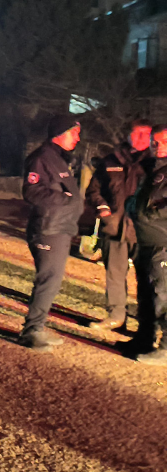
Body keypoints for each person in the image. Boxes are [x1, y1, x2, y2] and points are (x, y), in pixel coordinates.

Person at [19, 115, 84, 351]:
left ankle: (37, 327)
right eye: (74, 133)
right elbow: (32, 191)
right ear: (60, 132)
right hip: (48, 229)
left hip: (60, 228)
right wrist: (66, 200)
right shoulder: (42, 158)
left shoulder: (57, 158)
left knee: (52, 281)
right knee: (48, 280)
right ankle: (31, 331)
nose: (78, 138)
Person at [86, 118, 153, 329]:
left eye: (146, 134)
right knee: (114, 274)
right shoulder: (110, 161)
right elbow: (93, 190)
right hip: (114, 227)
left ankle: (146, 324)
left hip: (143, 231)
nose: (141, 138)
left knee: (147, 278)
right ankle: (116, 317)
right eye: (137, 133)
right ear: (127, 135)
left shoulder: (155, 163)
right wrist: (103, 209)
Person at [127, 124, 167, 366]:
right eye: (155, 141)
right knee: (145, 295)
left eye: (164, 142)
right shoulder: (153, 169)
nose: (158, 146)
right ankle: (144, 339)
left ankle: (165, 349)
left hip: (163, 242)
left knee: (162, 297)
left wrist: (149, 215)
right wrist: (135, 209)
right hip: (145, 242)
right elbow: (138, 200)